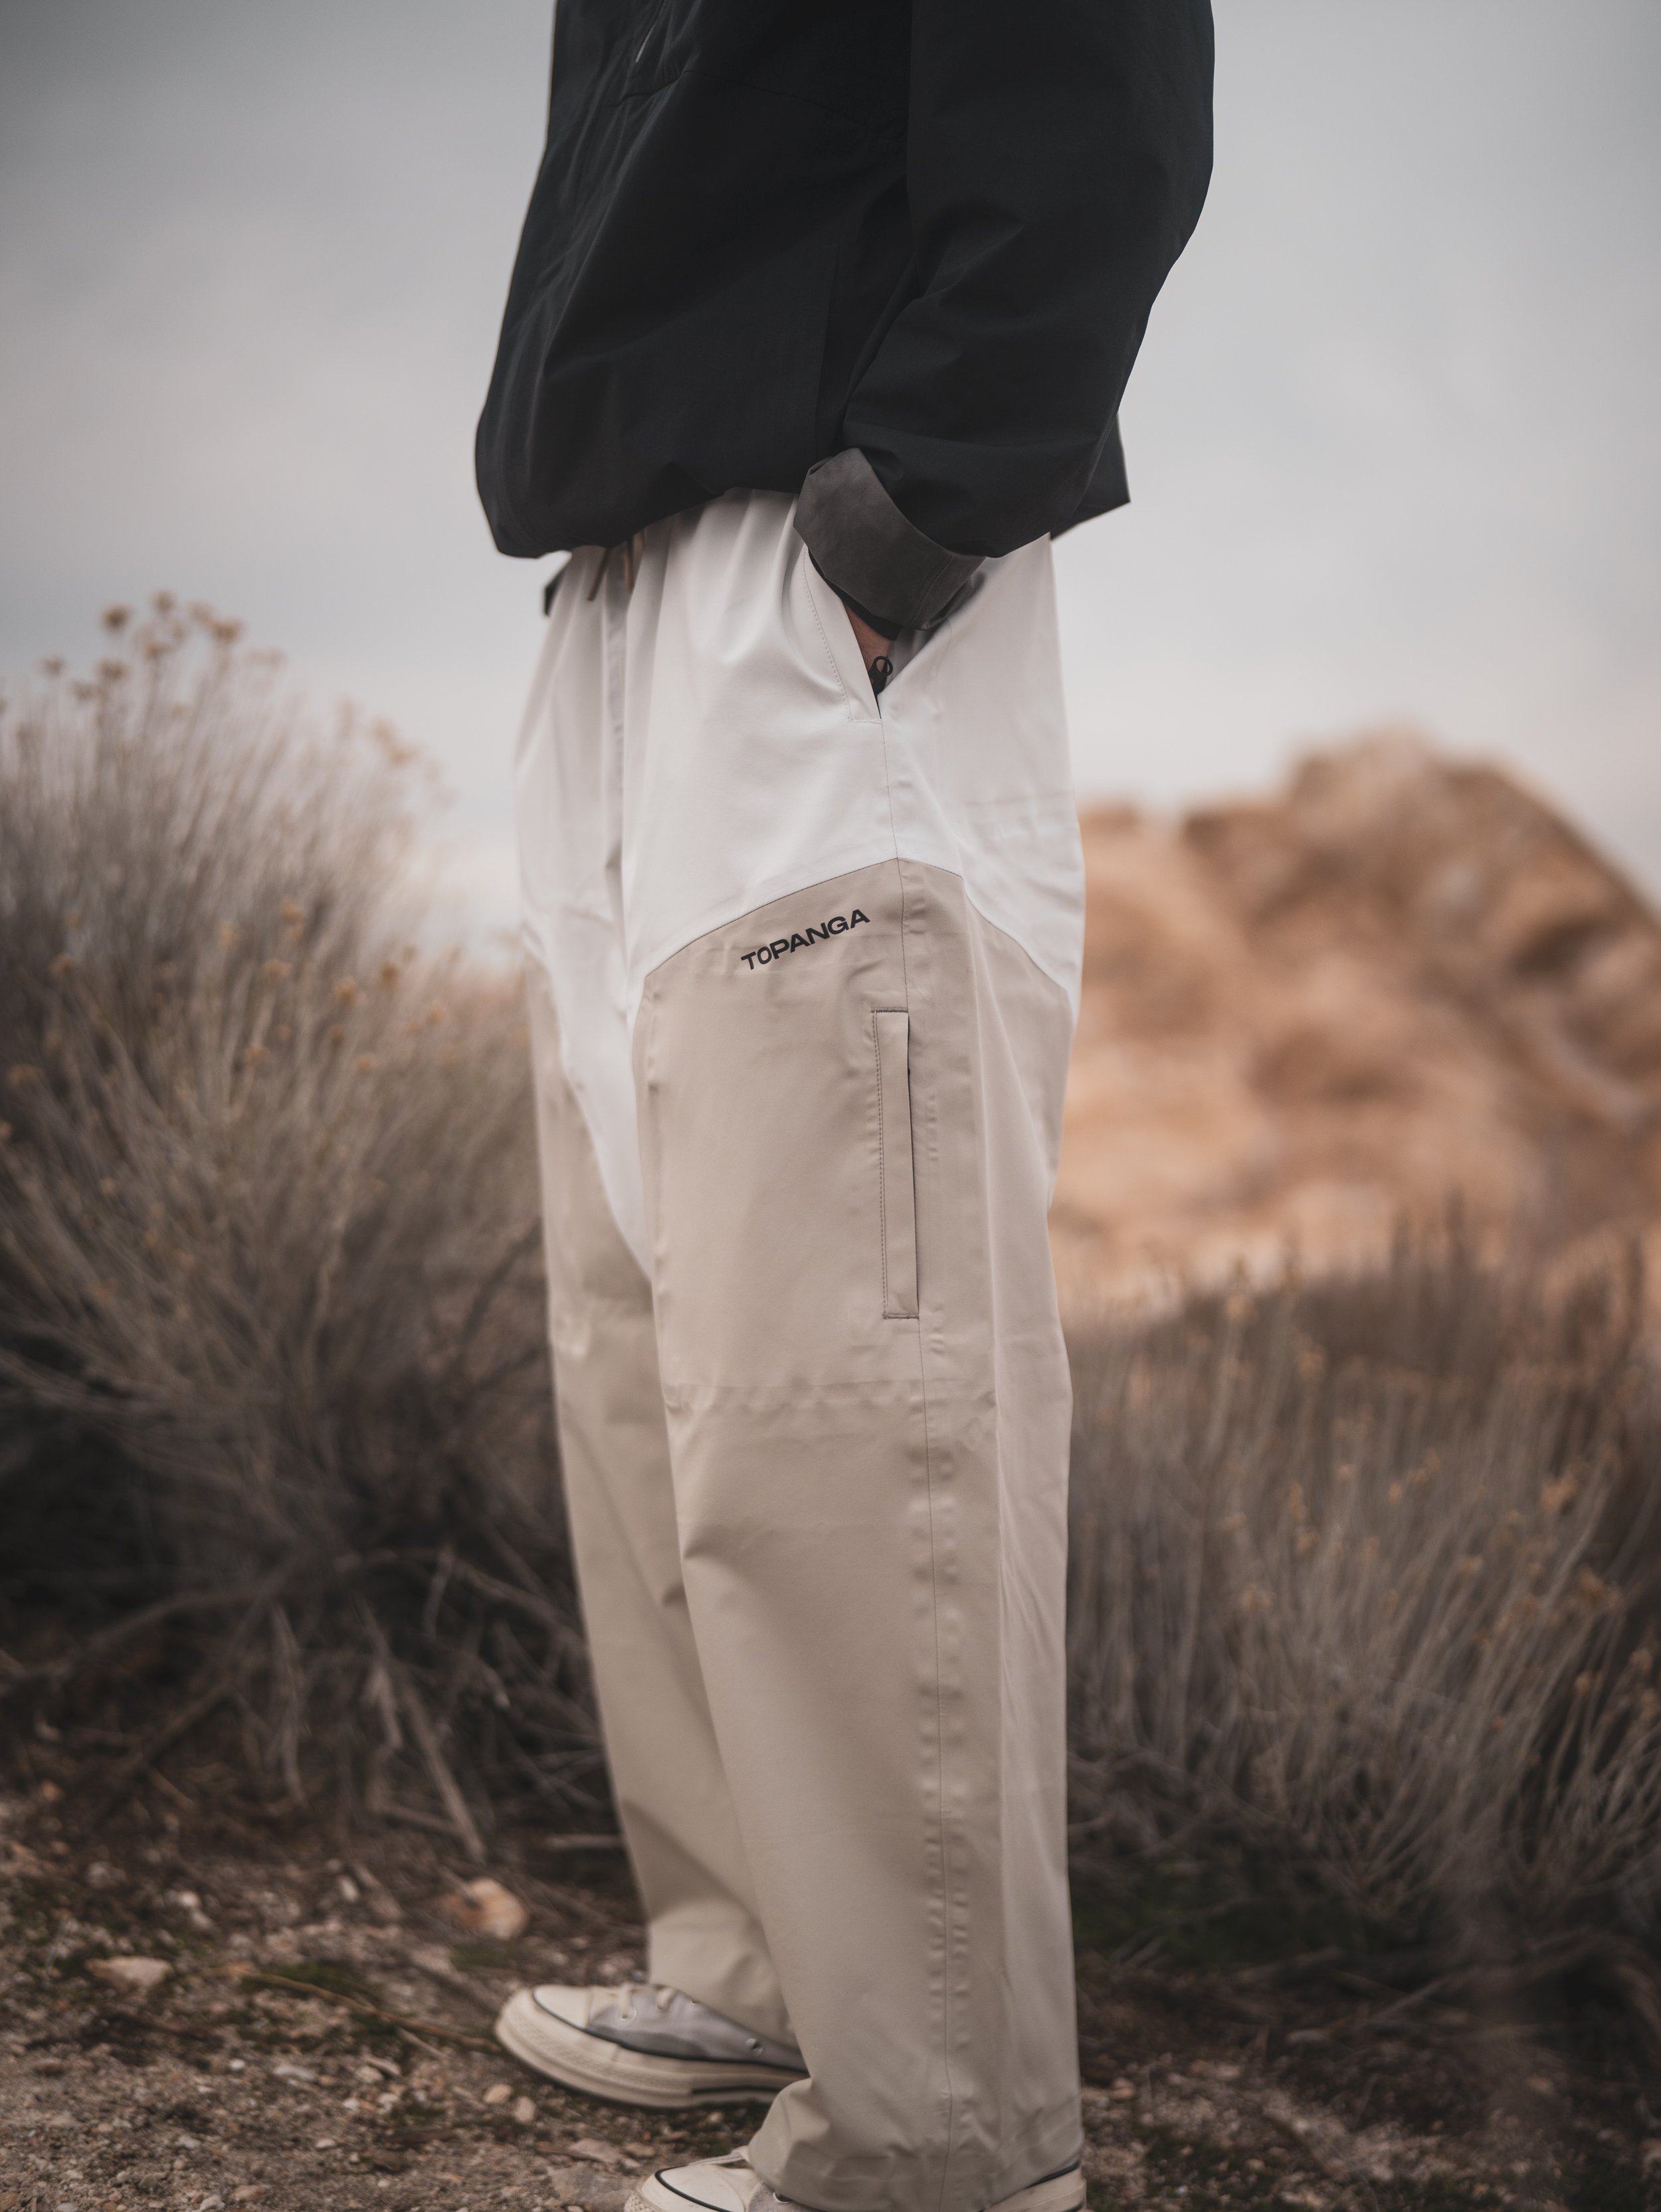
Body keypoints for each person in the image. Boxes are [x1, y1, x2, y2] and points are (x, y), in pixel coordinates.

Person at [476, 5, 1212, 2211]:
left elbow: (1095, 111)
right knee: (654, 1338)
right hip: (624, 583)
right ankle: (757, 1964)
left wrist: (919, 510)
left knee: (845, 1370)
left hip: (831, 586)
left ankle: (941, 2134)